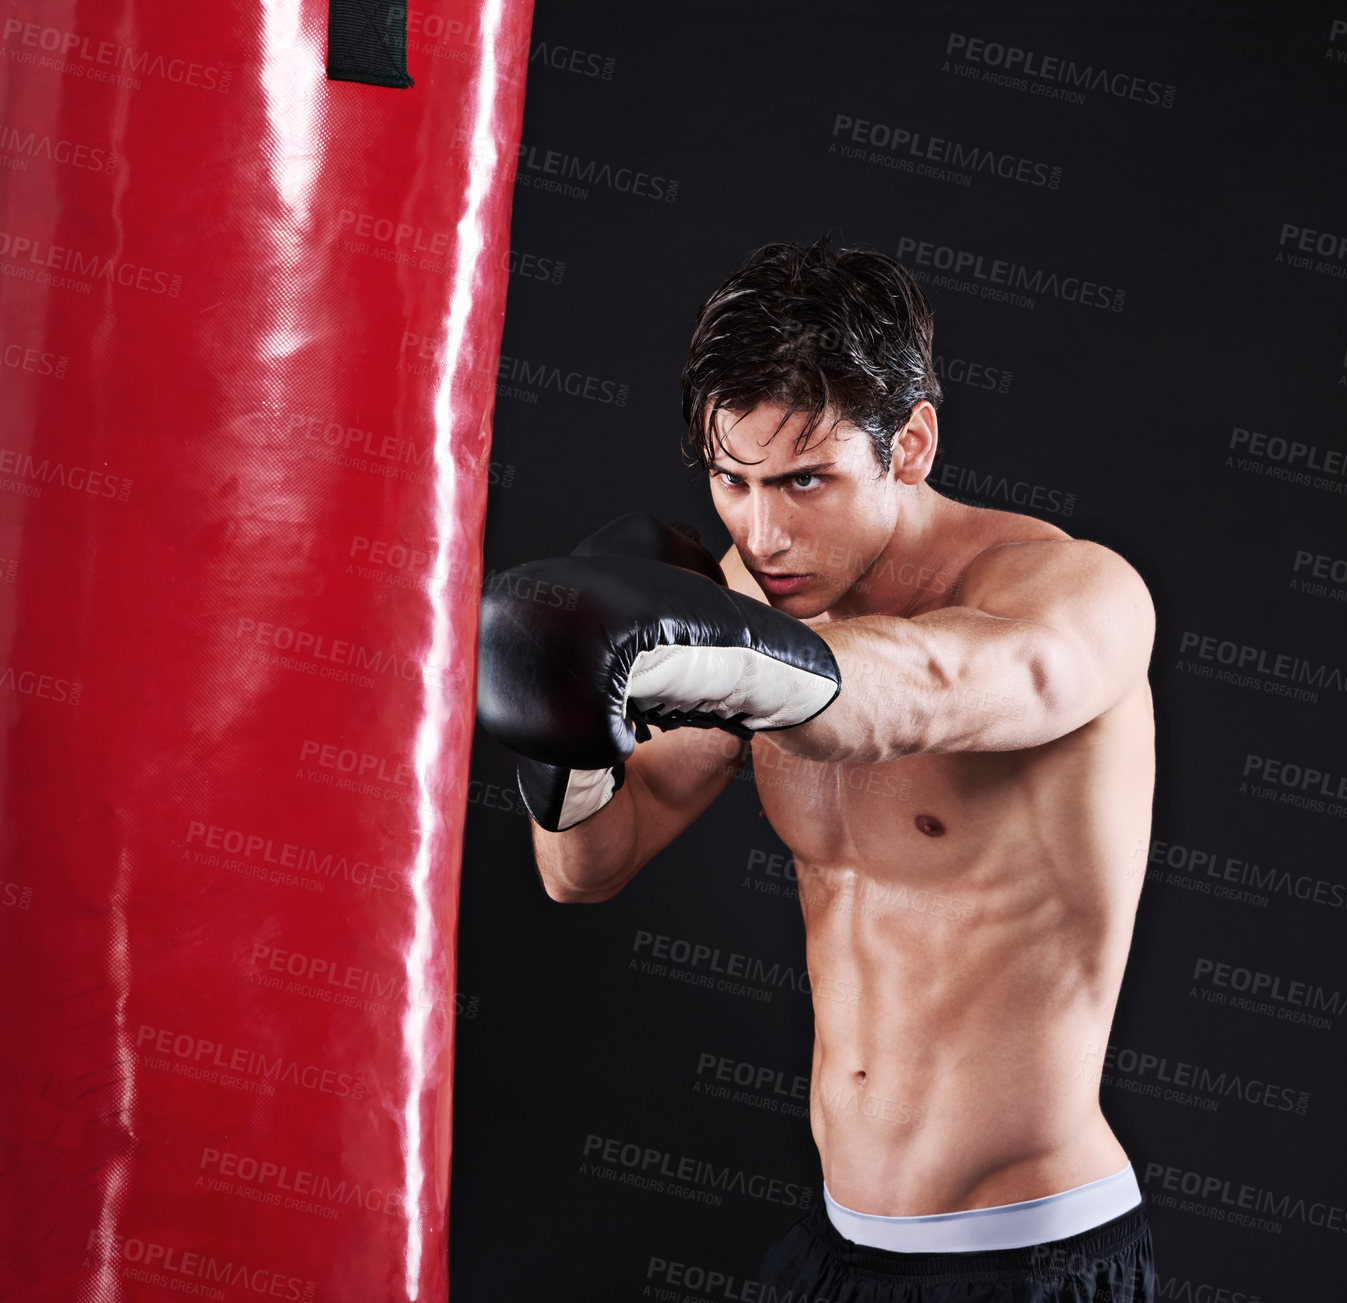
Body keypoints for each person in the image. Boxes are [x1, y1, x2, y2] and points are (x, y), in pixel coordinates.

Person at [479, 239, 1157, 1301]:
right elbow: (587, 867)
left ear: (912, 442)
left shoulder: (1074, 593)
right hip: (835, 1248)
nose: (766, 529)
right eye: (733, 482)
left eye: (807, 480)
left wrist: (714, 655)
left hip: (1022, 1256)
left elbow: (917, 688)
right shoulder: (747, 600)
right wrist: (562, 730)